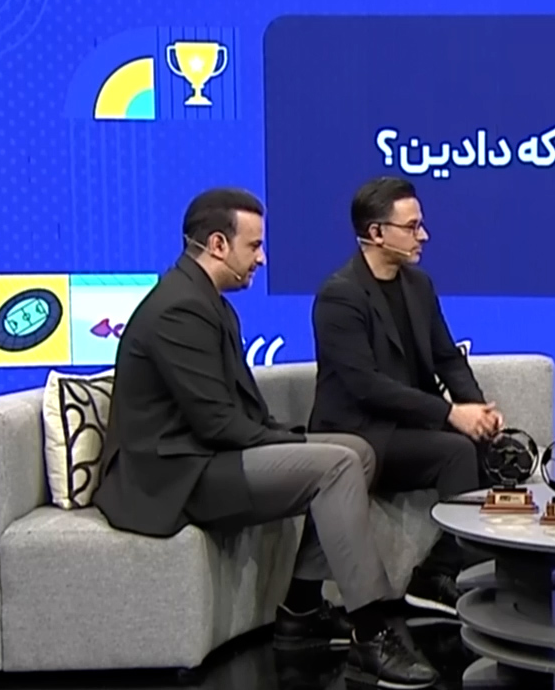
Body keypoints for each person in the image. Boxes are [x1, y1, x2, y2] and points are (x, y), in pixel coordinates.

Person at [93, 188, 439, 690]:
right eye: (253, 246)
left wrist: (290, 438)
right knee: (337, 464)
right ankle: (371, 633)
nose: (262, 258)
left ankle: (301, 610)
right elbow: (216, 425)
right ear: (217, 244)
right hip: (175, 474)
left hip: (204, 457)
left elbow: (236, 412)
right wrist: (290, 442)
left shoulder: (208, 302)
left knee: (355, 451)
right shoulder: (179, 311)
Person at [309, 176, 503, 616]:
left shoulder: (419, 285)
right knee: (456, 452)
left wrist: (477, 409)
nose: (424, 236)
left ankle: (487, 575)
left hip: (409, 426)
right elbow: (367, 386)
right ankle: (438, 575)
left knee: (489, 448)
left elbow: (447, 358)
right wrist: (450, 413)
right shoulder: (339, 296)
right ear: (376, 233)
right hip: (360, 434)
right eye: (412, 227)